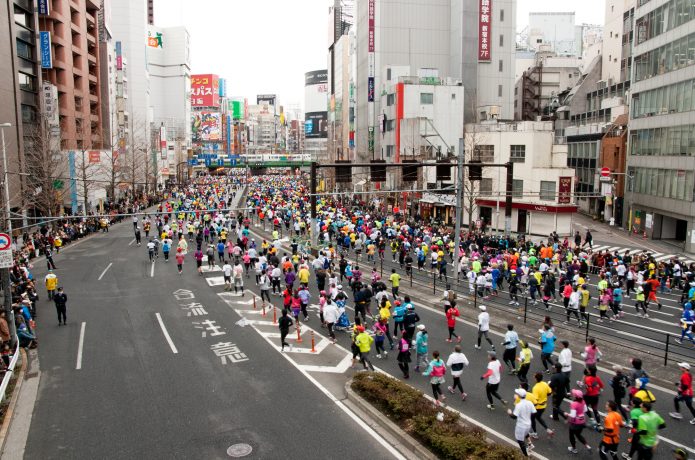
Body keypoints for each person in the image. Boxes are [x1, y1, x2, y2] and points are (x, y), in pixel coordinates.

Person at [508, 388, 536, 457]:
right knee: (526, 433)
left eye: (517, 394)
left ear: (519, 396)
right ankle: (530, 444)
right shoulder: (529, 403)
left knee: (520, 440)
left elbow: (514, 416)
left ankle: (526, 455)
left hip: (521, 426)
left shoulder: (519, 405)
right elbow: (534, 412)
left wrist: (510, 413)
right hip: (528, 424)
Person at [565, 389, 591, 454]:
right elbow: (585, 410)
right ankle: (587, 445)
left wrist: (567, 414)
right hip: (582, 422)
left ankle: (574, 448)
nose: (573, 395)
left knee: (571, 436)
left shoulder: (574, 404)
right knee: (578, 434)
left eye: (574, 395)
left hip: (575, 423)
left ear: (576, 397)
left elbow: (573, 415)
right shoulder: (583, 401)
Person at [530, 372, 554, 439]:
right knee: (538, 417)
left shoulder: (535, 388)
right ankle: (548, 430)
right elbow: (549, 393)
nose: (533, 377)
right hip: (543, 406)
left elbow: (535, 400)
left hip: (537, 407)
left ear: (536, 379)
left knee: (532, 418)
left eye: (534, 377)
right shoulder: (545, 384)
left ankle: (535, 433)